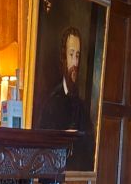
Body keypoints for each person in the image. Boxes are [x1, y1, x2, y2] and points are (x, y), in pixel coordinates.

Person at [36, 26, 95, 172]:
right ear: (63, 58)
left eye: (77, 56)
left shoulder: (82, 106)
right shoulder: (51, 102)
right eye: (71, 54)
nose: (75, 63)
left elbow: (89, 150)